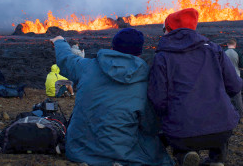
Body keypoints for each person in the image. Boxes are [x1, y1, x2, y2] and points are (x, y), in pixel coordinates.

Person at [50, 28, 174, 166]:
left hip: (79, 151)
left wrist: (60, 41)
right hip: (122, 155)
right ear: (139, 53)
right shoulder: (146, 80)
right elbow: (150, 127)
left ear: (112, 47)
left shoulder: (87, 67)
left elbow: (66, 59)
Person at [147, 8, 243, 166]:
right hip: (222, 128)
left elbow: (159, 100)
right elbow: (235, 86)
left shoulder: (162, 57)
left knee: (177, 130)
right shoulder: (215, 50)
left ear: (169, 29)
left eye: (164, 29)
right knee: (219, 128)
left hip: (183, 131)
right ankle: (217, 159)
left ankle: (185, 155)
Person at [224, 38, 243, 124]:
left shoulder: (223, 52)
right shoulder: (238, 53)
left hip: (225, 78)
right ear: (235, 44)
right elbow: (241, 67)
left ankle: (224, 115)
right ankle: (241, 117)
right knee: (238, 98)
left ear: (227, 44)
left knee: (224, 96)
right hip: (236, 78)